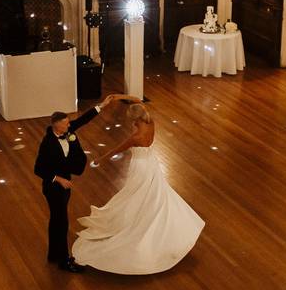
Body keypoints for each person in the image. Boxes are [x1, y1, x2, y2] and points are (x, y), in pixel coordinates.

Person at [72, 100, 206, 275]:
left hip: (140, 166)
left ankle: (137, 222)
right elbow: (137, 101)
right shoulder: (151, 123)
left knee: (134, 194)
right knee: (153, 194)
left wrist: (100, 159)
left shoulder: (136, 138)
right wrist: (121, 96)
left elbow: (116, 150)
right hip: (152, 162)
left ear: (135, 119)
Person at [34, 94, 116, 272]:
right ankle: (64, 261)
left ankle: (54, 254)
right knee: (62, 222)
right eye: (66, 123)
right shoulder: (47, 144)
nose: (70, 125)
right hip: (53, 187)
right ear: (57, 126)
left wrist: (102, 105)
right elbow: (38, 169)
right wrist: (58, 179)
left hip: (65, 185)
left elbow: (84, 119)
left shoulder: (68, 132)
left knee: (56, 220)